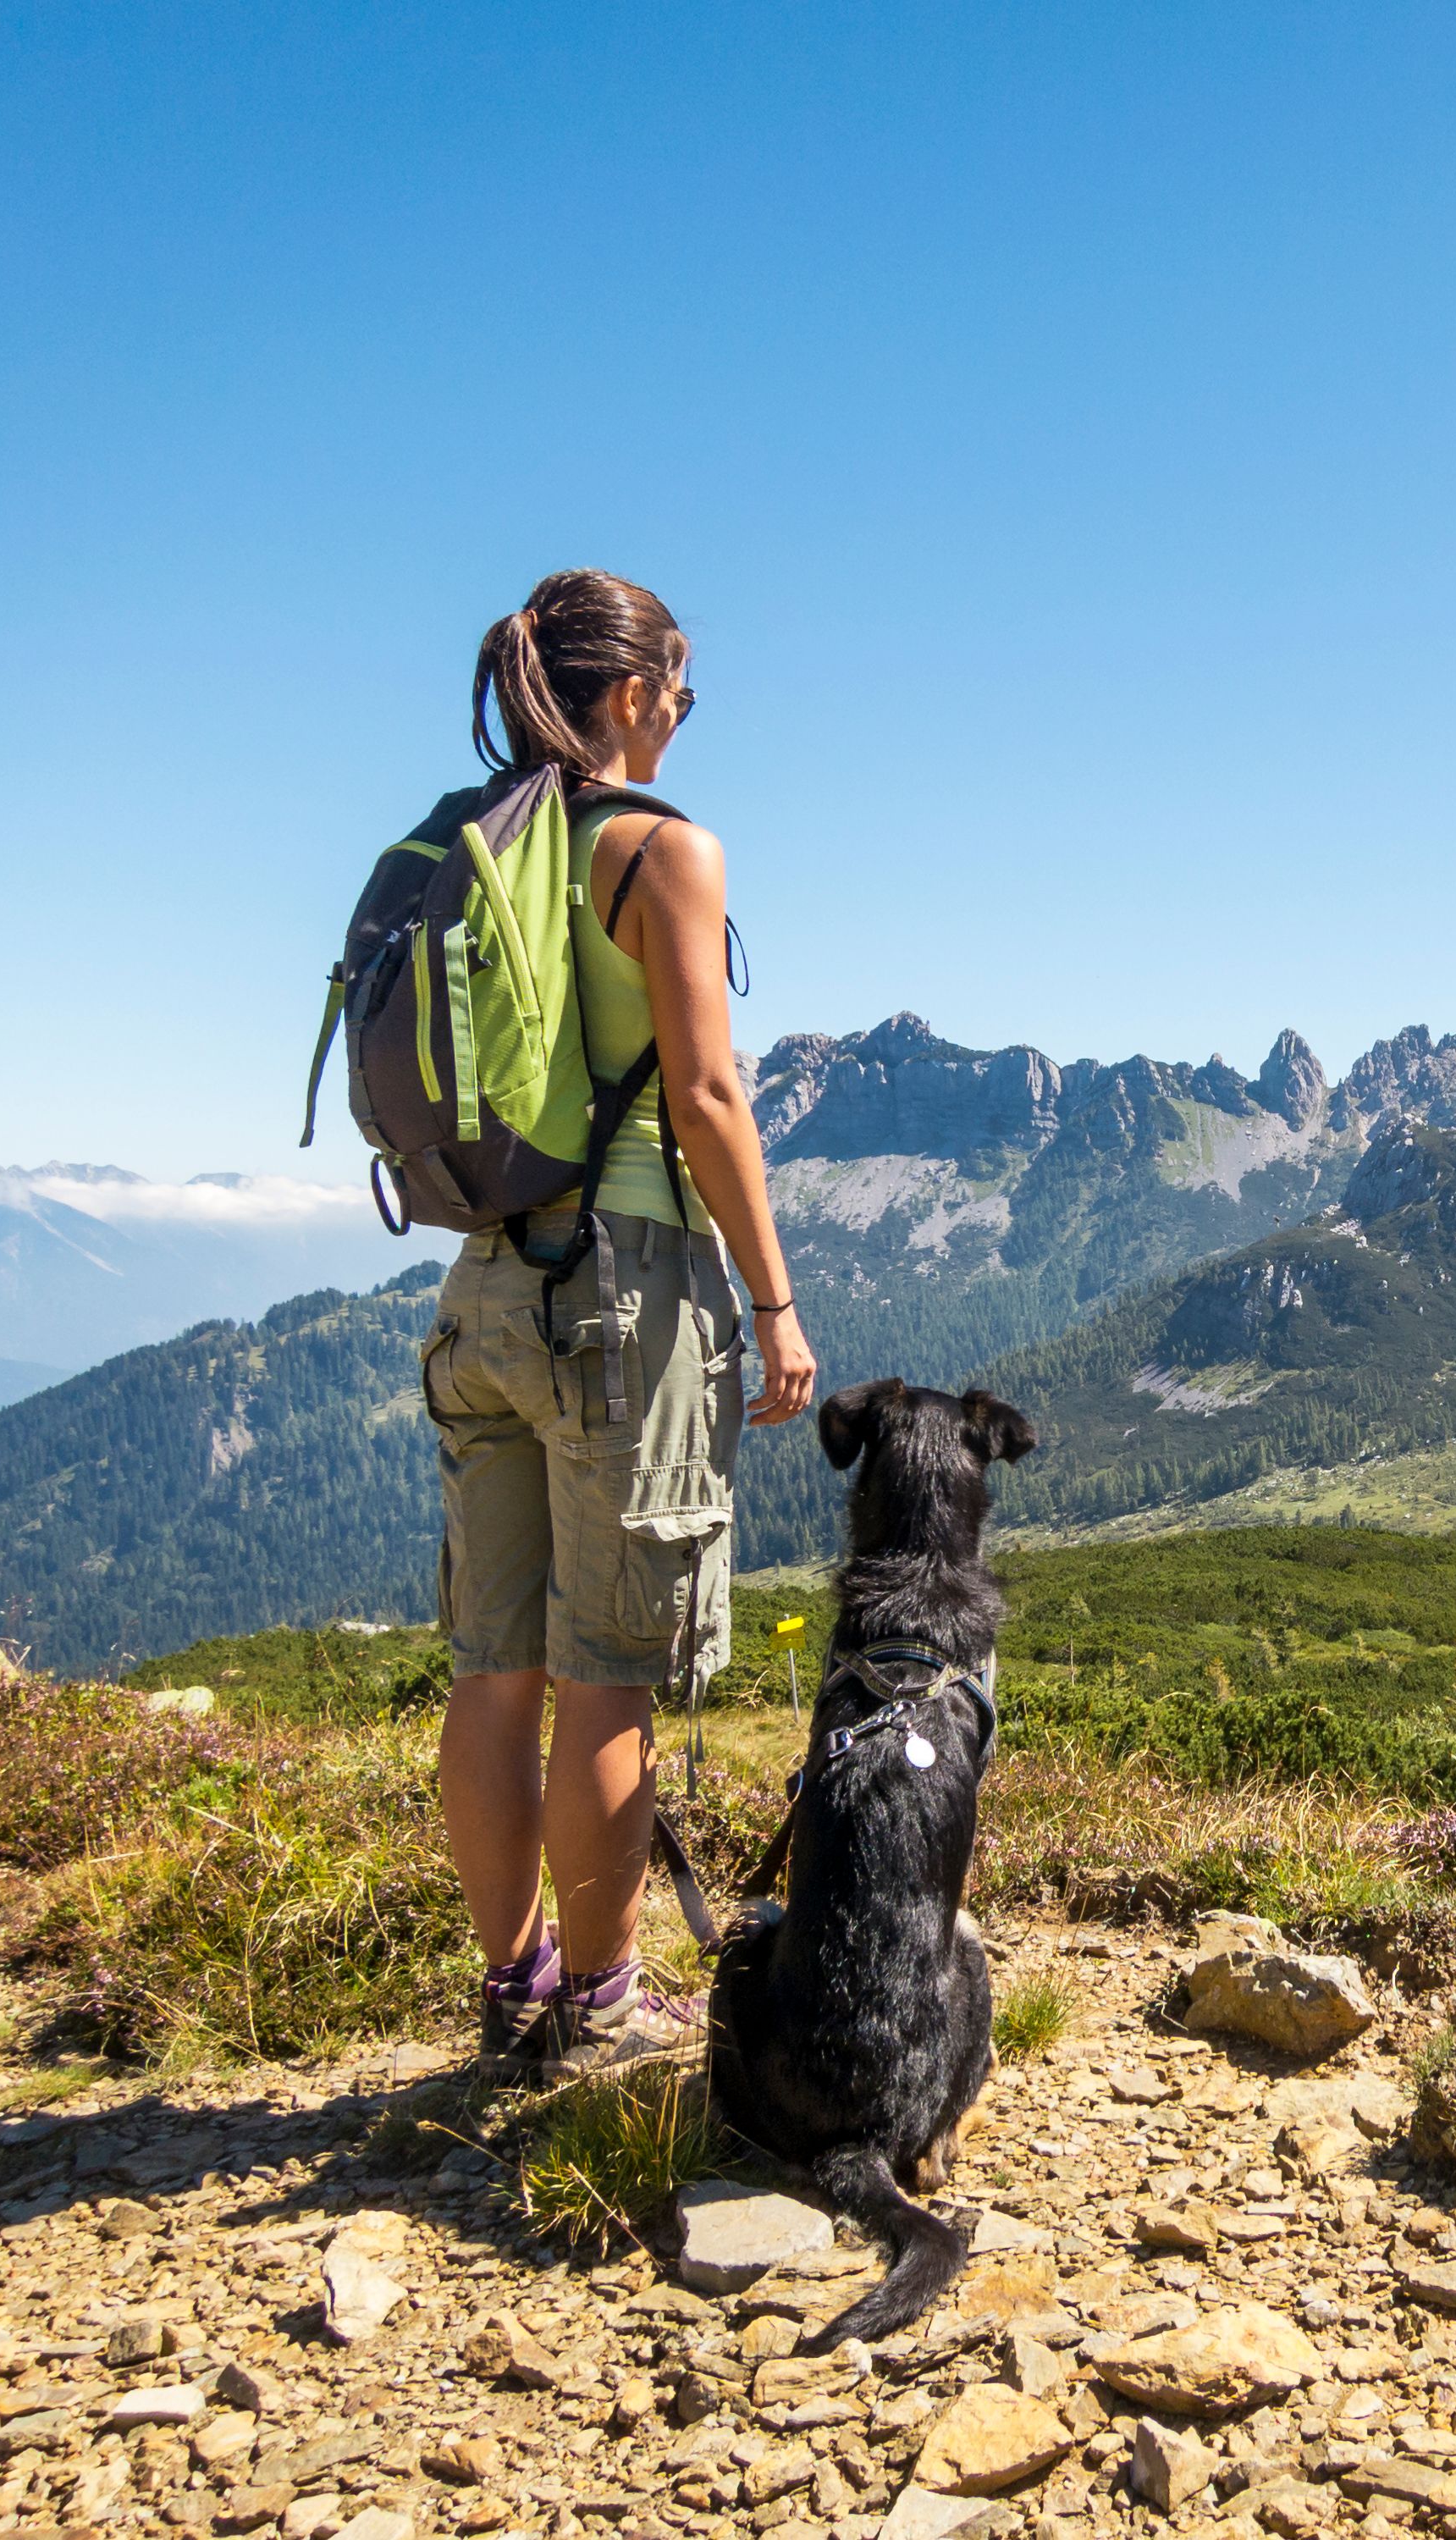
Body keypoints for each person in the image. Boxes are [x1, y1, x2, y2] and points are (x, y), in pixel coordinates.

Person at [416, 568, 818, 2081]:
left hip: (483, 1286)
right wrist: (772, 1300)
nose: (683, 719)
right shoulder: (663, 851)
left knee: (492, 1667)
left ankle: (513, 1983)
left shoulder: (487, 845)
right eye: (684, 694)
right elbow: (707, 1097)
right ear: (637, 692)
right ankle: (600, 2008)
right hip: (625, 1291)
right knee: (608, 1669)